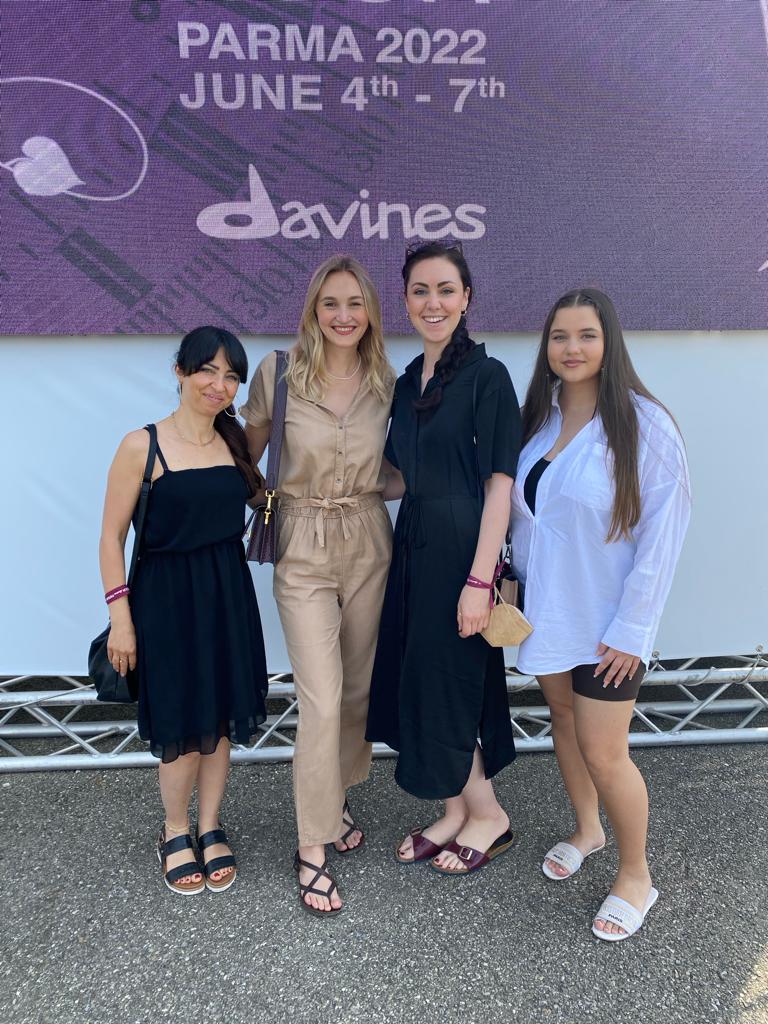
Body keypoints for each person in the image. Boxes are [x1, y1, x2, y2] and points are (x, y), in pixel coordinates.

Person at [509, 287, 691, 941]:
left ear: (609, 342)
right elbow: (527, 520)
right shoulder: (538, 418)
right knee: (562, 721)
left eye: (586, 334)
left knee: (606, 751)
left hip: (612, 623)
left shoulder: (645, 424)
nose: (572, 348)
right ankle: (588, 830)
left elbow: (664, 535)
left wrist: (633, 630)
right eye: (560, 336)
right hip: (548, 612)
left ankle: (637, 874)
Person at [241, 255, 394, 916]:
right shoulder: (277, 373)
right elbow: (245, 457)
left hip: (369, 536)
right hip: (301, 542)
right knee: (322, 699)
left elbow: (399, 464)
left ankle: (336, 799)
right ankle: (311, 846)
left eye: (355, 303)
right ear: (312, 309)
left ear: (371, 313)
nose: (343, 315)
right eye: (330, 302)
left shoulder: (387, 380)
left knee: (357, 691)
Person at [366, 241, 522, 876]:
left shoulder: (489, 377)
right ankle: (456, 810)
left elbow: (499, 486)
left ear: (467, 299)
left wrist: (480, 581)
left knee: (453, 684)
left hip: (462, 551)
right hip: (413, 543)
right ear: (405, 301)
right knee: (423, 680)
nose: (433, 303)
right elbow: (401, 478)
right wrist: (330, 482)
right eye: (420, 291)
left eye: (446, 290)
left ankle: (489, 814)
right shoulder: (407, 382)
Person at [99, 326, 269, 896]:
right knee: (180, 719)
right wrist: (121, 619)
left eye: (231, 376)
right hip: (166, 601)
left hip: (227, 594)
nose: (219, 385)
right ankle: (175, 830)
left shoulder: (235, 443)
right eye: (207, 371)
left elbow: (265, 501)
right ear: (180, 371)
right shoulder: (141, 445)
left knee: (218, 718)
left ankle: (211, 824)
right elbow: (110, 538)